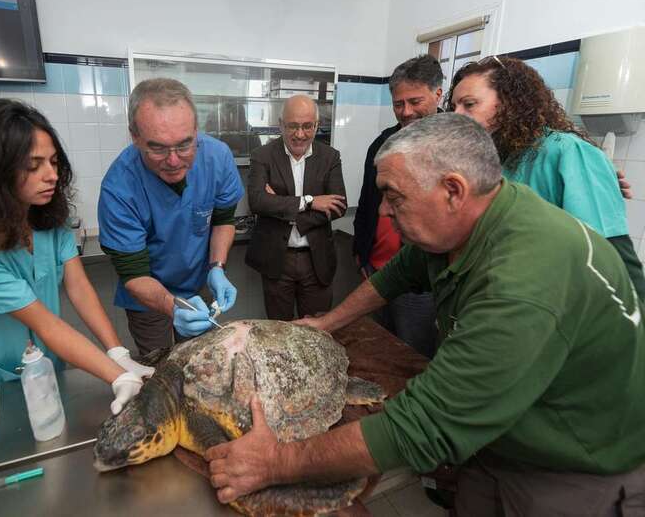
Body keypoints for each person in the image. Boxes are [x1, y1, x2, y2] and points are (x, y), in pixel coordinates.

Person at [205, 113, 645, 515]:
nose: (385, 211)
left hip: (573, 467)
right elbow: (400, 271)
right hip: (503, 439)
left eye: (394, 197)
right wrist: (326, 323)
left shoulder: (524, 282)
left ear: (453, 190)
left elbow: (424, 424)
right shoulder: (479, 216)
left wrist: (278, 462)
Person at [0, 98, 152, 414]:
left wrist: (117, 352)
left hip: (47, 368)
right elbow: (45, 323)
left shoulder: (47, 218)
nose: (50, 175)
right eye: (33, 166)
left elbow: (79, 287)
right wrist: (117, 376)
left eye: (54, 162)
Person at [447, 55, 645, 299]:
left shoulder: (567, 151)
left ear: (510, 103)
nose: (457, 115)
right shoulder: (495, 157)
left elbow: (612, 256)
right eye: (454, 107)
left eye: (469, 104)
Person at [98, 78, 244, 354]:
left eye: (185, 145)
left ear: (196, 131)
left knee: (201, 364)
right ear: (135, 136)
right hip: (146, 296)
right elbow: (134, 274)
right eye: (158, 148)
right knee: (162, 367)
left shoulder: (218, 158)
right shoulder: (119, 188)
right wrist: (172, 307)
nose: (174, 160)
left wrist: (217, 267)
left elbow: (223, 221)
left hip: (198, 283)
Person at [353, 54, 442, 357]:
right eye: (398, 104)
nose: (406, 112)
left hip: (421, 281)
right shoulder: (382, 143)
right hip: (376, 269)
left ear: (438, 94)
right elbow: (367, 203)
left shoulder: (454, 144)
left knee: (412, 356)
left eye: (415, 101)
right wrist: (361, 253)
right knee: (380, 349)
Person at [244, 95, 346, 320]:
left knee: (316, 330)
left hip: (316, 260)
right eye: (292, 126)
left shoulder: (330, 157)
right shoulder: (262, 155)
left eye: (307, 126)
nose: (300, 134)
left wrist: (282, 207)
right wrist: (309, 202)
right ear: (281, 124)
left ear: (317, 125)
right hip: (277, 261)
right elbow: (257, 201)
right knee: (279, 331)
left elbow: (339, 206)